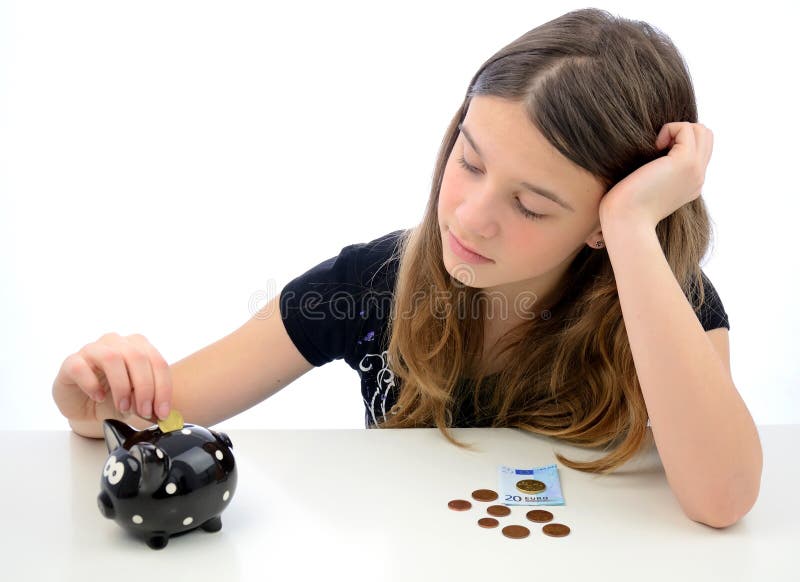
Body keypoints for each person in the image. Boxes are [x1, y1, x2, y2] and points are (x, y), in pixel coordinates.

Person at [52, 8, 761, 528]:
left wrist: (634, 227)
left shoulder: (663, 300)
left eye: (534, 205)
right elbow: (161, 413)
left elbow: (723, 498)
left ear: (601, 225)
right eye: (470, 159)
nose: (469, 217)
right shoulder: (371, 284)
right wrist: (91, 399)